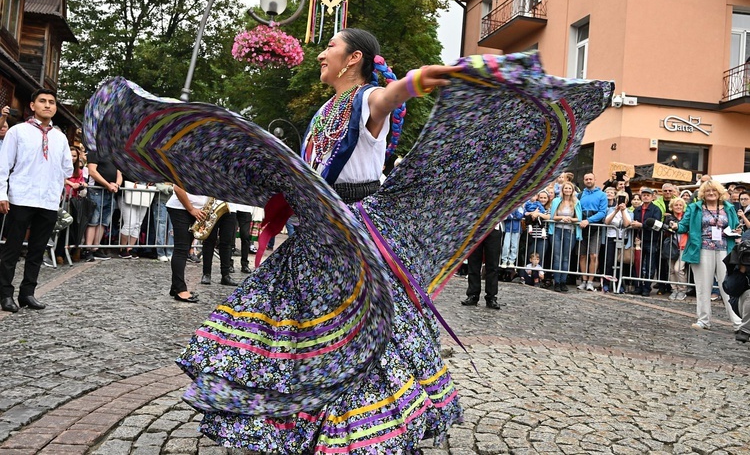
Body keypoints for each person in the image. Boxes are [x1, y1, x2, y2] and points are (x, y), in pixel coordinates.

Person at [85, 41, 612, 452]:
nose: (319, 54)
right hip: (315, 232)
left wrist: (449, 75)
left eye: (329, 47)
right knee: (294, 327)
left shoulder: (366, 102)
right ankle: (289, 423)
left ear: (352, 59)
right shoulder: (323, 112)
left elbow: (403, 88)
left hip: (357, 229)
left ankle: (361, 430)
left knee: (357, 326)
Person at [0, 89, 73, 312]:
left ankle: (28, 293)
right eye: (42, 101)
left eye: (52, 102)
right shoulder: (18, 132)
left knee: (37, 250)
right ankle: (5, 294)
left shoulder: (59, 137)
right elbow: (3, 166)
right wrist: (2, 194)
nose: (47, 105)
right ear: (32, 105)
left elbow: (67, 168)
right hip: (22, 196)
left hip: (48, 200)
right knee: (12, 249)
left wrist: (56, 182)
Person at [672, 180, 743, 331]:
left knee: (728, 286)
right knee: (703, 286)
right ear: (703, 193)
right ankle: (704, 320)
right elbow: (684, 225)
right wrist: (676, 226)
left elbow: (736, 226)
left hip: (725, 249)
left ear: (719, 193)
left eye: (714, 191)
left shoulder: (729, 208)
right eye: (708, 191)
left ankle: (738, 322)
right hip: (702, 249)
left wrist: (737, 231)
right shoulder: (695, 207)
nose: (711, 193)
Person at [82, 149, 121, 261]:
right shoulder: (95, 152)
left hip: (110, 191)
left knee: (104, 221)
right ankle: (87, 248)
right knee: (93, 220)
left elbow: (119, 173)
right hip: (96, 190)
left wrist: (116, 185)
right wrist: (108, 184)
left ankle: (96, 247)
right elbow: (92, 172)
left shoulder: (114, 154)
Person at [549, 182, 582, 292]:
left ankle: (563, 281)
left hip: (570, 231)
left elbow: (578, 218)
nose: (567, 190)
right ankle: (557, 282)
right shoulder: (556, 201)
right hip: (557, 230)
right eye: (566, 188)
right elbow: (553, 216)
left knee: (566, 257)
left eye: (569, 188)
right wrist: (561, 218)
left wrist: (571, 219)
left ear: (572, 190)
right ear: (562, 190)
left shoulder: (576, 202)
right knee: (557, 256)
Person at [577, 173, 607, 291]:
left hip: (595, 227)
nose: (588, 181)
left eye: (590, 179)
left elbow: (602, 212)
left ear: (595, 180)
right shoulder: (580, 195)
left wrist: (588, 221)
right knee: (582, 255)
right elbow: (577, 209)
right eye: (586, 179)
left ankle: (590, 281)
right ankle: (584, 280)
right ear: (584, 181)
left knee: (594, 255)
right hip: (582, 227)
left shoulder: (602, 195)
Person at [462, 222, 503, 309]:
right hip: (476, 227)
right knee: (473, 263)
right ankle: (473, 294)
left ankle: (491, 297)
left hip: (493, 228)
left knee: (493, 265)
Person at [631, 187, 662, 296]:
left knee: (649, 265)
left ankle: (647, 287)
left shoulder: (656, 209)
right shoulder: (637, 209)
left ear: (652, 197)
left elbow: (656, 224)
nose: (645, 196)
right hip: (639, 240)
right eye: (643, 195)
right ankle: (638, 286)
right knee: (637, 264)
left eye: (648, 195)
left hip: (651, 240)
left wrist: (641, 225)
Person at [602, 190, 632, 293]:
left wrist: (623, 211)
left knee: (621, 263)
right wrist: (615, 211)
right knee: (609, 261)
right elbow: (607, 222)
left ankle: (620, 285)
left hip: (623, 239)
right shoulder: (610, 209)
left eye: (623, 198)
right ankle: (606, 284)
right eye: (619, 198)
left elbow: (627, 224)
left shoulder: (630, 212)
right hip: (611, 237)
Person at [199, 207, 237, 286]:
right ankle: (206, 273)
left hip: (230, 208)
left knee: (227, 242)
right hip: (213, 209)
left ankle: (225, 275)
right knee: (209, 240)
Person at [664, 197, 688, 300]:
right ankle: (674, 289)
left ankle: (682, 290)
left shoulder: (687, 217)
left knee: (678, 269)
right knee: (671, 270)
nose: (678, 207)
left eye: (680, 205)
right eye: (676, 205)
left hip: (684, 245)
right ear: (672, 207)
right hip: (671, 245)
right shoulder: (668, 218)